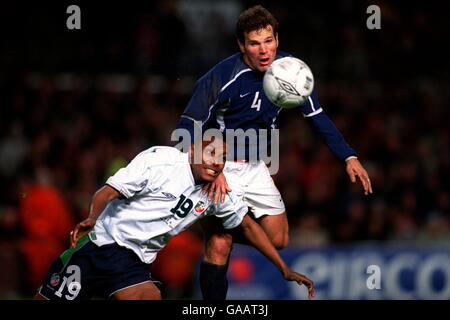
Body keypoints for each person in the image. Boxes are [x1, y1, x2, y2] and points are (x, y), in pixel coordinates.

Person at [176, 5, 373, 300]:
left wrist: (349, 156)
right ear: (242, 45)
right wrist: (208, 168)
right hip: (220, 164)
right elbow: (186, 128)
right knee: (219, 243)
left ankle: (223, 221)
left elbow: (317, 116)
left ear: (277, 39)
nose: (263, 50)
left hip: (255, 164)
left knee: (279, 239)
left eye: (268, 40)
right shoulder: (221, 77)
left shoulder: (291, 70)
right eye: (254, 43)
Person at [33, 137, 315, 300]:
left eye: (222, 157)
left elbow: (249, 226)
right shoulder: (160, 161)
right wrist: (92, 218)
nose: (216, 161)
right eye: (210, 153)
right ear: (192, 150)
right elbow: (107, 192)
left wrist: (283, 269)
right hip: (100, 248)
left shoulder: (218, 192)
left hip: (133, 264)